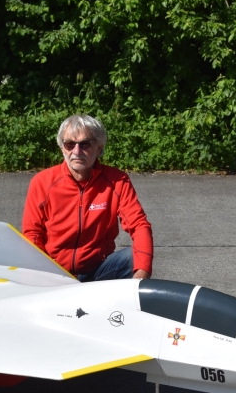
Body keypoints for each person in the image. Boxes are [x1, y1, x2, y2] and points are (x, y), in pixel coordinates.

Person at [22, 114, 153, 281]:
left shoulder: (117, 180)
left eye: (85, 144)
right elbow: (32, 234)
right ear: (62, 148)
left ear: (99, 148)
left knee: (134, 257)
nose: (77, 151)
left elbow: (139, 225)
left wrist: (142, 273)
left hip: (97, 270)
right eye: (70, 144)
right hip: (55, 272)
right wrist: (40, 274)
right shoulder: (42, 182)